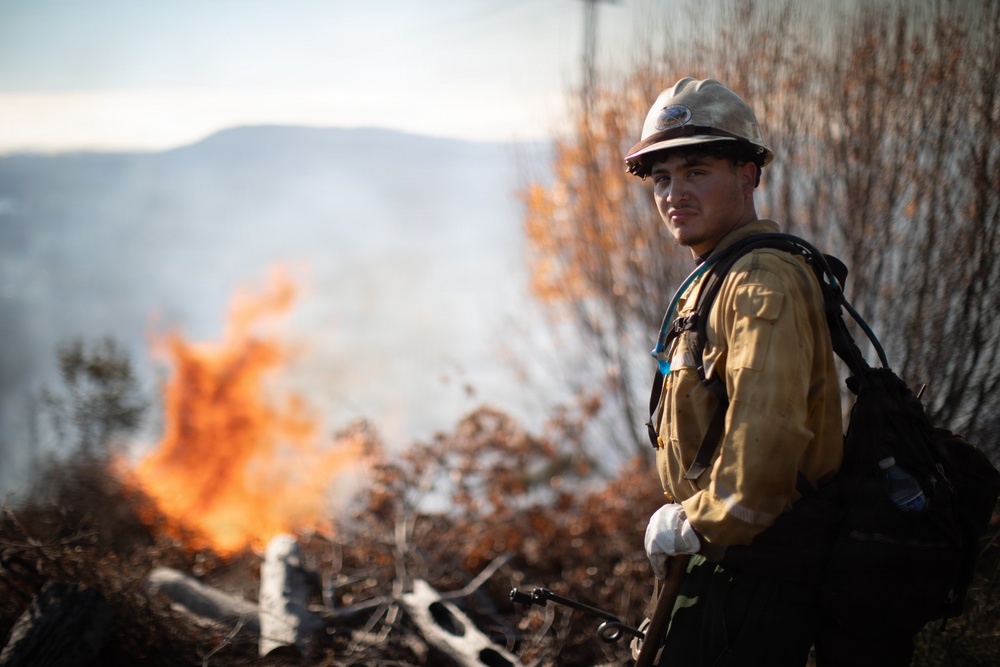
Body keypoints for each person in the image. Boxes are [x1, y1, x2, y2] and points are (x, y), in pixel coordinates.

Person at [623, 77, 868, 666]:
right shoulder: (717, 277)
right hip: (723, 569)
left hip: (751, 579)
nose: (673, 193)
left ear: (748, 174)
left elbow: (771, 428)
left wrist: (701, 523)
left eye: (696, 170)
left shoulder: (760, 280)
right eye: (661, 178)